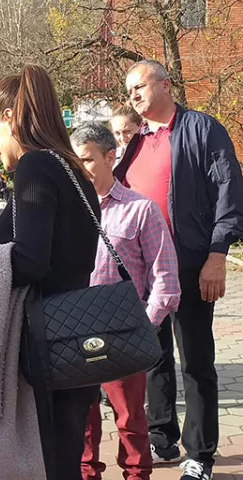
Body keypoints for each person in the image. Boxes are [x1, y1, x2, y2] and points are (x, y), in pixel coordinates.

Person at [114, 59, 243, 480]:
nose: (132, 94)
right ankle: (161, 436)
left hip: (189, 264)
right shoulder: (136, 141)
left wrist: (217, 255)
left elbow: (228, 192)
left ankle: (200, 454)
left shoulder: (203, 130)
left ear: (166, 85)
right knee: (152, 356)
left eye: (139, 86)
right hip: (143, 271)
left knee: (196, 360)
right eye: (128, 89)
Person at [0, 64, 100, 479]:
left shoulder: (37, 167)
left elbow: (32, 260)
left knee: (49, 465)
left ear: (10, 117)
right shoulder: (70, 167)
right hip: (75, 338)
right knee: (64, 460)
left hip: (46, 343)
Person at [71, 123, 181, 480]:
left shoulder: (140, 210)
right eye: (75, 160)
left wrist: (144, 327)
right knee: (81, 426)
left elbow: (165, 278)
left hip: (124, 334)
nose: (81, 167)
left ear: (109, 156)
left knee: (132, 423)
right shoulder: (67, 212)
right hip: (74, 333)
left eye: (87, 159)